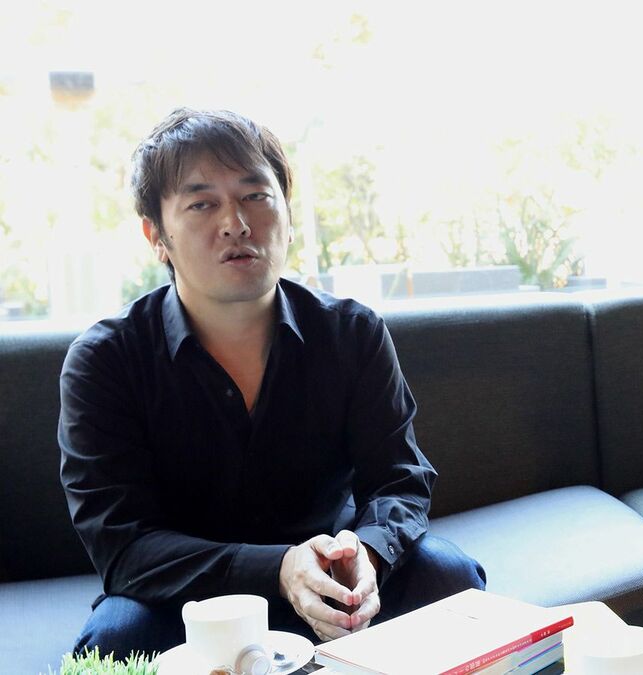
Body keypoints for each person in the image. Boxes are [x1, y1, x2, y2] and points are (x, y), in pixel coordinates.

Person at [59, 108, 486, 660]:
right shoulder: (106, 361)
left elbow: (399, 480)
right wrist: (279, 568)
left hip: (336, 581)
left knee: (448, 576)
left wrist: (368, 553)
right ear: (156, 235)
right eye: (202, 203)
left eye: (255, 195)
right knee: (118, 638)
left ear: (286, 214)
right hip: (189, 599)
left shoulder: (352, 334)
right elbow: (122, 545)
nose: (235, 223)